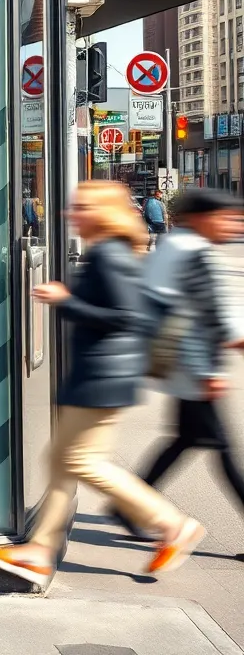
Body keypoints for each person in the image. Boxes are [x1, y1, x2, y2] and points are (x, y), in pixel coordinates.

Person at [0, 181, 204, 588]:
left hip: (102, 377)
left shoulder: (108, 254)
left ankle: (172, 524)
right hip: (104, 375)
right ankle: (39, 552)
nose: (71, 215)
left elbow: (127, 317)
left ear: (100, 212)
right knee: (62, 464)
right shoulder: (112, 251)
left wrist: (64, 299)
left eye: (80, 208)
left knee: (79, 463)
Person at [113, 190, 244, 539]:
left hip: (184, 368)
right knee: (221, 450)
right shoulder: (193, 253)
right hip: (196, 371)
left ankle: (130, 504)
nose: (234, 225)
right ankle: (129, 504)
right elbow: (194, 316)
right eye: (227, 217)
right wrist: (209, 371)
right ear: (202, 218)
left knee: (187, 441)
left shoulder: (173, 246)